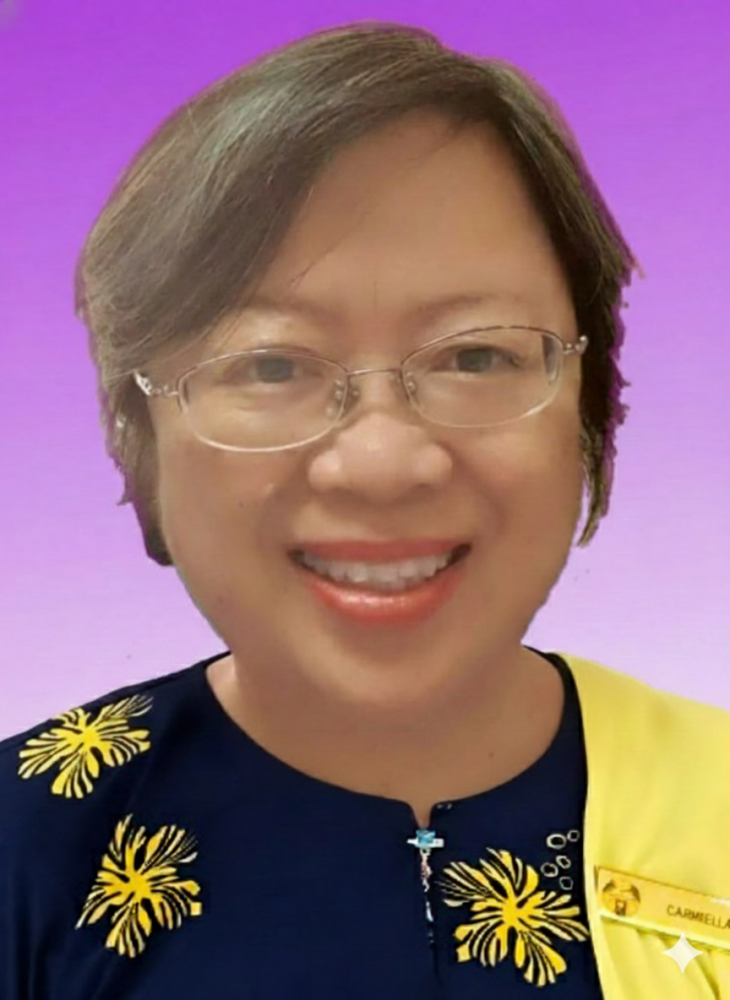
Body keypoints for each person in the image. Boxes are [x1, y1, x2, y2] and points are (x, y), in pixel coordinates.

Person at [2, 20, 729, 1000]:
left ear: (590, 404)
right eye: (271, 366)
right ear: (140, 430)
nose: (382, 463)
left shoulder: (716, 802)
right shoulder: (27, 845)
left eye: (477, 355)